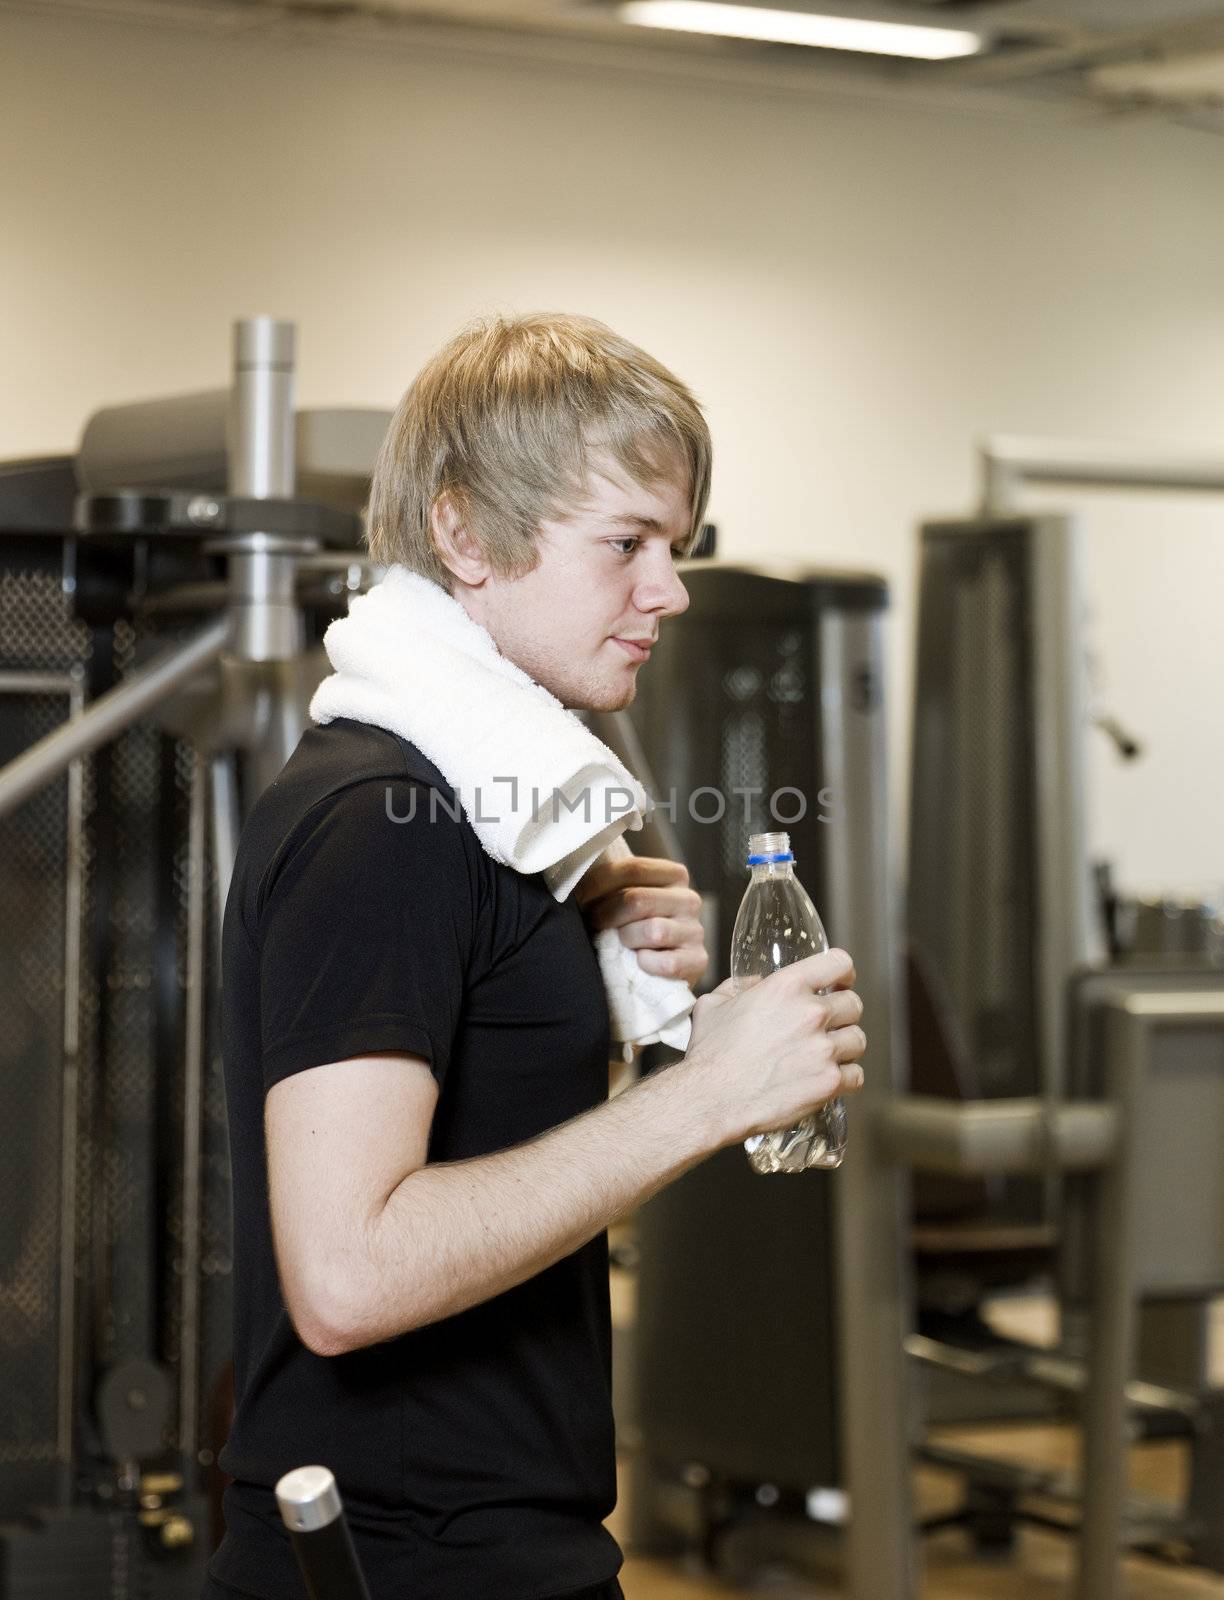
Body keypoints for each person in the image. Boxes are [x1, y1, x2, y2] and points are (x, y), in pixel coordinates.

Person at [205, 313, 866, 1600]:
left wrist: (574, 965)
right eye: (625, 543)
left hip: (504, 1541)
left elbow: (480, 1158)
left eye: (672, 547)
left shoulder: (492, 828)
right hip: (399, 1564)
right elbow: (347, 1274)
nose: (667, 589)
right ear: (463, 536)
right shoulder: (382, 828)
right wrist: (709, 1092)